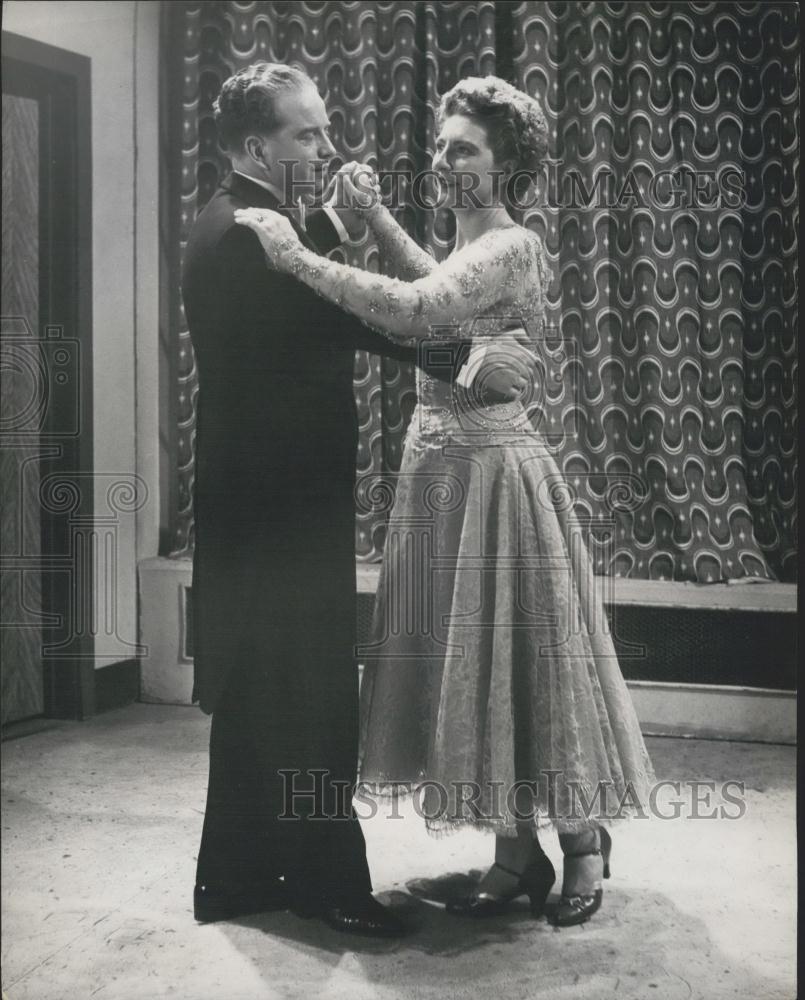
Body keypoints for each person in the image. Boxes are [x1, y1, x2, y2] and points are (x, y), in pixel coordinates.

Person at [235, 74, 656, 928]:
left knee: (525, 660)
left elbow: (419, 309)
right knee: (468, 672)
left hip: (495, 478)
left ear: (504, 168)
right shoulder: (474, 250)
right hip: (442, 473)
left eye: (461, 148)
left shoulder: (514, 242)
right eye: (439, 143)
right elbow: (444, 302)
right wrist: (382, 222)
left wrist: (295, 254)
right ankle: (513, 855)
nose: (442, 158)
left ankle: (582, 843)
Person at [182, 63, 533, 936]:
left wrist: (348, 222)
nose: (328, 146)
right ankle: (326, 887)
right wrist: (460, 360)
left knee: (263, 697)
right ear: (258, 146)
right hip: (279, 513)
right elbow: (349, 316)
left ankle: (231, 881)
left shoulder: (244, 222)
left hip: (265, 509)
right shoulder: (245, 236)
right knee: (307, 699)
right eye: (308, 134)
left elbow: (335, 297)